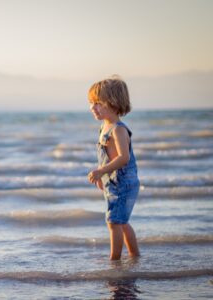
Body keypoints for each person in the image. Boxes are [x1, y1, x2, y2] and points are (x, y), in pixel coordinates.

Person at [87, 75, 140, 260]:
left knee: (114, 222)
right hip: (113, 181)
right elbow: (105, 157)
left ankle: (114, 260)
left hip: (124, 182)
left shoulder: (118, 129)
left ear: (112, 103)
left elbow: (123, 158)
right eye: (91, 103)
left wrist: (101, 171)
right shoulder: (104, 127)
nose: (92, 107)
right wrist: (103, 177)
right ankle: (134, 256)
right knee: (121, 222)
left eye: (97, 103)